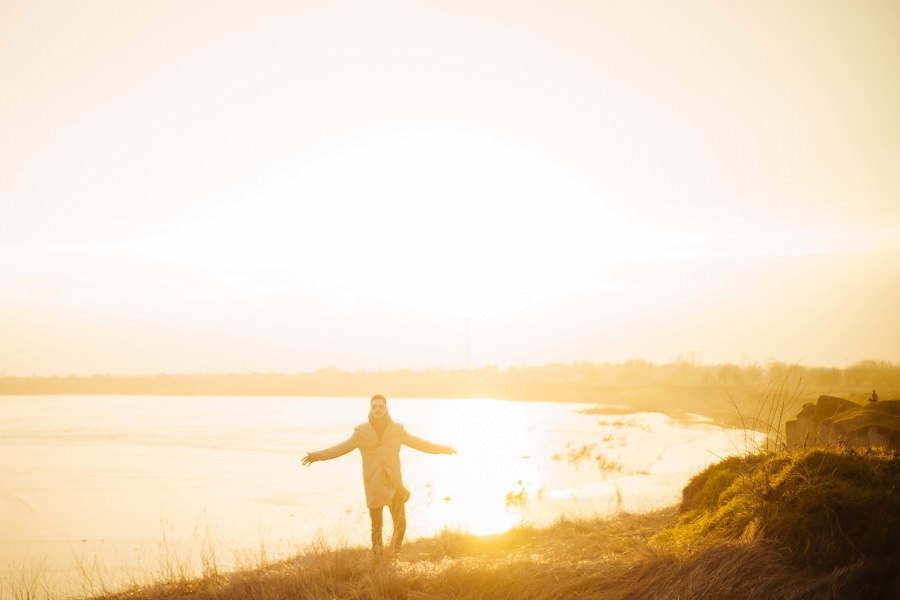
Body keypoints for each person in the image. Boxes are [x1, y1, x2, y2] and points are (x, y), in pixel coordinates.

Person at [301, 394, 456, 555]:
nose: (378, 409)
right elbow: (340, 448)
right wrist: (316, 456)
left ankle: (393, 554)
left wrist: (444, 449)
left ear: (386, 408)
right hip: (374, 485)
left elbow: (421, 444)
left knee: (400, 524)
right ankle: (378, 558)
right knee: (376, 527)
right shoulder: (361, 432)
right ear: (370, 409)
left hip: (394, 484)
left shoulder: (397, 430)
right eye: (374, 406)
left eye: (381, 406)